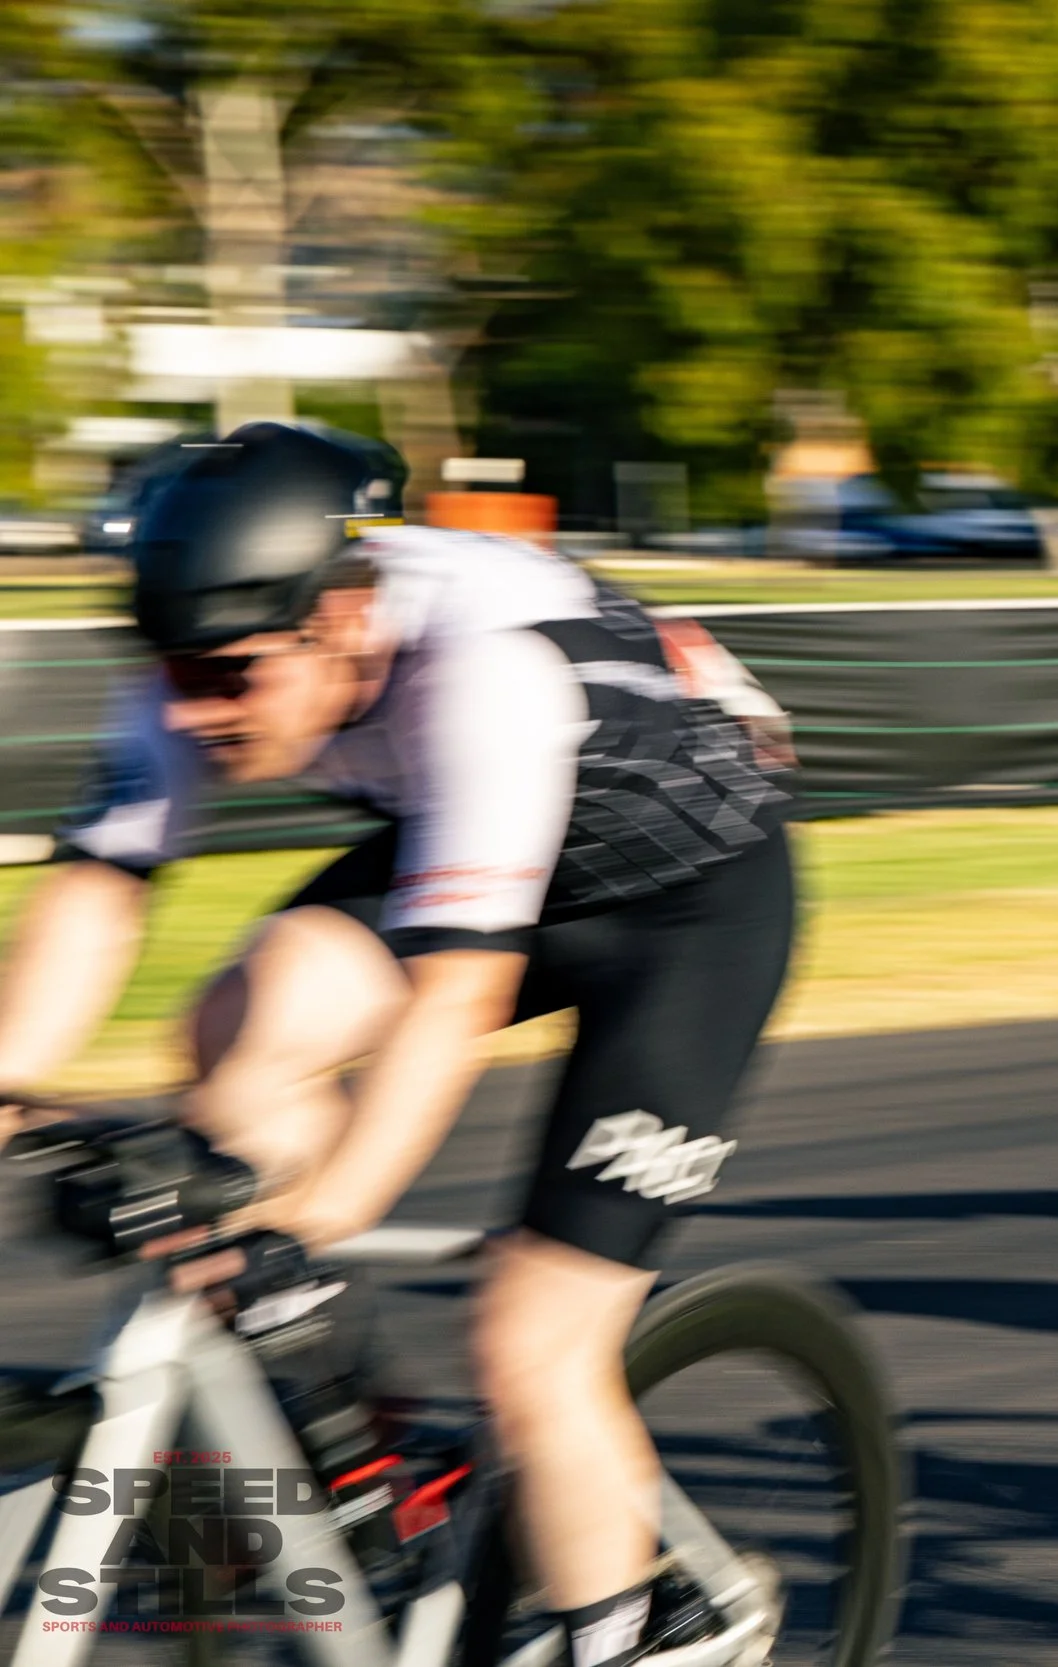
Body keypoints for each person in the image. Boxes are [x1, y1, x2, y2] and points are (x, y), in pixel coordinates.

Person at [0, 422, 796, 1667]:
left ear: (342, 620)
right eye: (173, 670)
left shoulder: (485, 671)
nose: (193, 708)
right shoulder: (211, 645)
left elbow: (453, 999)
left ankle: (651, 1627)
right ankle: (353, 1439)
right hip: (502, 843)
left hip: (685, 913)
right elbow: (100, 891)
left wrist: (314, 1214)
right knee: (239, 1028)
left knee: (531, 1341)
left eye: (230, 677)